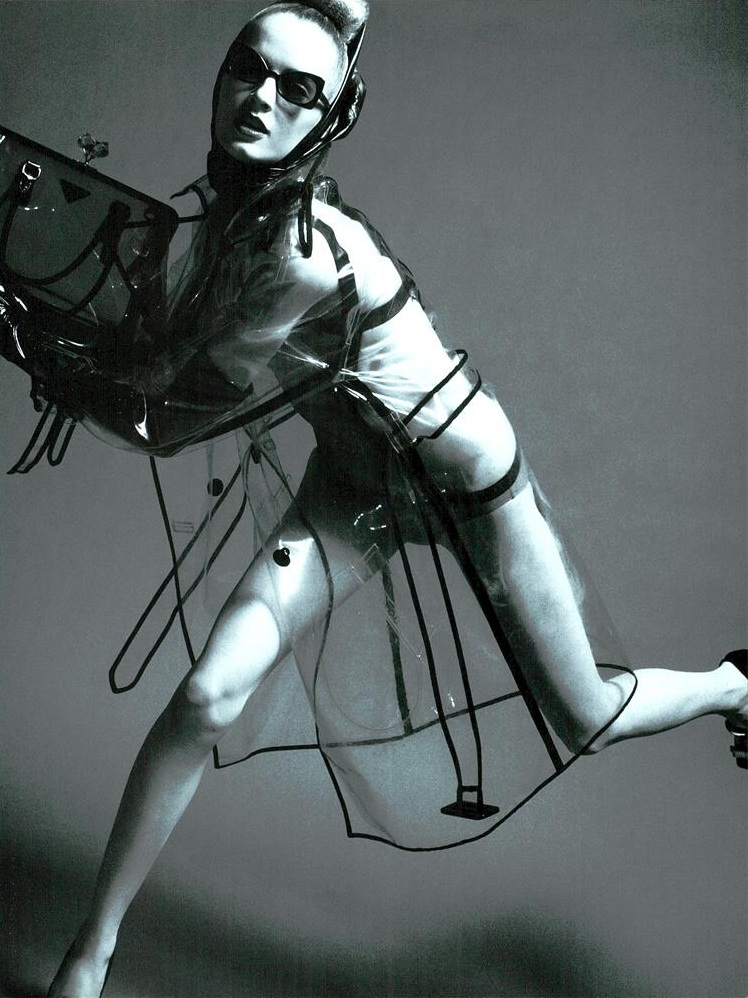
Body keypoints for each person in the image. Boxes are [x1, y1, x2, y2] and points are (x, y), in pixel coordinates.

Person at [5, 0, 737, 994]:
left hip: (461, 481)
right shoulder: (224, 213)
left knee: (587, 718)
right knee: (208, 696)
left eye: (297, 89)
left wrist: (54, 358)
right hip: (355, 475)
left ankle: (737, 684)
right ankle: (90, 955)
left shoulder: (300, 252)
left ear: (330, 116)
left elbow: (171, 419)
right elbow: (156, 351)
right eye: (248, 69)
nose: (261, 97)